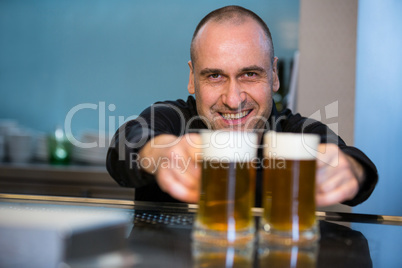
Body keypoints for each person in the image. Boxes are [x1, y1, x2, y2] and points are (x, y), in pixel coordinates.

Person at [106, 5, 377, 207]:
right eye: (215, 76)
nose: (233, 100)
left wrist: (350, 169)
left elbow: (352, 161)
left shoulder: (293, 133)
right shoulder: (173, 118)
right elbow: (126, 144)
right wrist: (161, 153)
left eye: (250, 74)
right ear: (192, 79)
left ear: (274, 75)